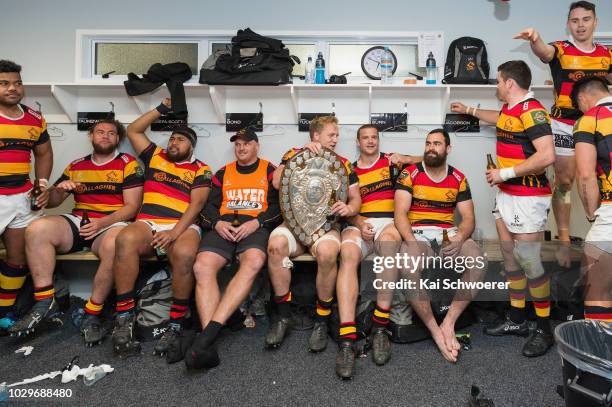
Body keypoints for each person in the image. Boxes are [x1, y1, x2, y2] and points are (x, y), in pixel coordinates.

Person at [451, 60, 556, 357]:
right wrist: (469, 111)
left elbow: (547, 155)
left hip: (528, 196)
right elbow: (498, 118)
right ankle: (518, 319)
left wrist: (504, 174)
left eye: (498, 82)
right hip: (506, 195)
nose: (496, 86)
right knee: (510, 259)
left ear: (509, 83)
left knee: (530, 262)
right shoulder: (511, 110)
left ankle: (544, 328)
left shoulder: (532, 109)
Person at [8, 120, 143, 346]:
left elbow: (132, 207)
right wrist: (58, 190)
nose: (105, 136)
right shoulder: (77, 165)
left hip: (111, 223)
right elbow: (51, 203)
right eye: (100, 132)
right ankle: (44, 301)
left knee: (115, 244)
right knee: (37, 229)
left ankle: (92, 312)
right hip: (80, 220)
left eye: (111, 133)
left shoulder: (128, 164)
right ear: (91, 136)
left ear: (118, 139)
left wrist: (102, 223)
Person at [111, 99, 211, 358]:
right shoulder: (155, 156)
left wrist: (173, 233)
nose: (174, 143)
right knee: (124, 240)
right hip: (149, 221)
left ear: (192, 146)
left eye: (181, 140)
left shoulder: (201, 169)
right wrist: (161, 109)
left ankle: (176, 323)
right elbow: (133, 130)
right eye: (172, 138)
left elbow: (197, 205)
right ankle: (124, 318)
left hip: (182, 224)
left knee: (185, 254)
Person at [514, 1, 612, 266]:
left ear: (595, 23)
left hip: (597, 123)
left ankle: (599, 228)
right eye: (575, 20)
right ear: (568, 24)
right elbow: (544, 53)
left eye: (586, 19)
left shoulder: (606, 54)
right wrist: (535, 38)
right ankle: (564, 240)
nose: (580, 25)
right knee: (565, 181)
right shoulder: (562, 49)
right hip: (564, 125)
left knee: (593, 177)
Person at [184, 128, 281, 369]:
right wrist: (217, 223)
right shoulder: (222, 172)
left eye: (246, 143)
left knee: (254, 261)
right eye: (237, 144)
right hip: (225, 226)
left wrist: (257, 222)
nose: (241, 148)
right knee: (202, 266)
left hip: (254, 225)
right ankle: (209, 340)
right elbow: (207, 208)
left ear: (256, 146)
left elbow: (280, 207)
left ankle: (206, 338)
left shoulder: (269, 170)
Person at [265, 115, 361, 353]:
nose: (336, 139)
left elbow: (356, 197)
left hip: (327, 226)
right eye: (332, 134)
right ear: (316, 136)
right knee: (275, 246)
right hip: (294, 225)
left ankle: (322, 319)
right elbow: (277, 182)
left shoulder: (343, 163)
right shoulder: (292, 154)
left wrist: (349, 208)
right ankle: (283, 317)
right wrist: (300, 158)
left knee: (329, 252)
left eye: (337, 135)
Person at [335, 124, 419, 378]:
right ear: (358, 143)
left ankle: (380, 328)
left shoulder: (391, 162)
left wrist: (407, 158)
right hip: (359, 223)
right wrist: (359, 223)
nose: (370, 142)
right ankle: (347, 339)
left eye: (374, 138)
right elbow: (346, 209)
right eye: (365, 138)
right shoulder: (348, 169)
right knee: (347, 255)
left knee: (390, 247)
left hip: (388, 223)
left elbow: (430, 161)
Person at [395, 128, 485, 363]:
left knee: (477, 260)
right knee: (407, 266)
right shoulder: (410, 174)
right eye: (427, 143)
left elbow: (468, 219)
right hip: (418, 233)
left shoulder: (458, 178)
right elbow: (400, 214)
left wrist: (460, 237)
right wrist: (411, 243)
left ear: (448, 149)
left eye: (436, 143)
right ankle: (435, 331)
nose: (430, 148)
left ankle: (449, 322)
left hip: (447, 233)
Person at [0, 60, 53, 330]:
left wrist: (42, 185)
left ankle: (4, 311)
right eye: (4, 83)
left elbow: (43, 153)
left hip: (22, 197)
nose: (13, 88)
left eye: (17, 83)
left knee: (17, 259)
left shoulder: (34, 118)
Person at [572, 76, 612, 322]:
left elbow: (586, 176)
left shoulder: (590, 118)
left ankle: (598, 357)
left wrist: (591, 212)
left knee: (596, 287)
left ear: (582, 98)